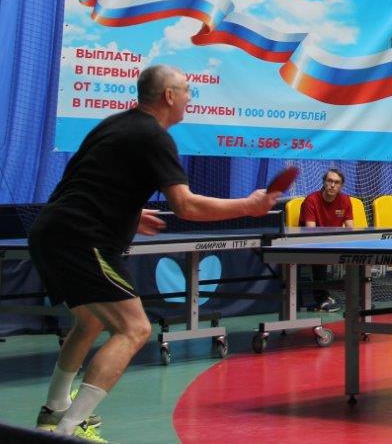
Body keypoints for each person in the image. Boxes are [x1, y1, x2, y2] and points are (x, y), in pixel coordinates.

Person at [28, 64, 278, 440]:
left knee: (90, 322)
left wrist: (130, 213)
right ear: (168, 96)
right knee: (134, 329)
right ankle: (69, 428)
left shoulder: (113, 124)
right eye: (187, 90)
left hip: (51, 231)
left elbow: (82, 181)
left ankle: (55, 409)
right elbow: (186, 206)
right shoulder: (154, 137)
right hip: (83, 239)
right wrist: (248, 206)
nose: (190, 97)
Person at [299, 168, 354, 312]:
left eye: (337, 182)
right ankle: (322, 300)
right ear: (324, 182)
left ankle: (358, 297)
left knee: (359, 256)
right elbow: (311, 231)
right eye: (329, 181)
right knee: (319, 254)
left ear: (341, 186)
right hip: (311, 242)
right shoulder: (311, 200)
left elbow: (350, 228)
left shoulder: (345, 200)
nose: (332, 185)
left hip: (334, 241)